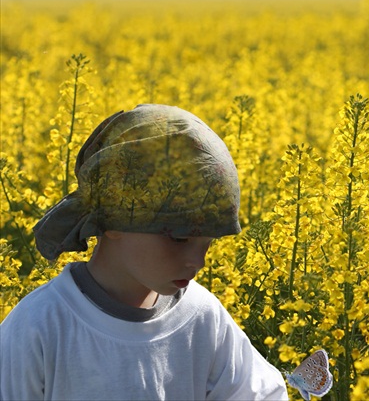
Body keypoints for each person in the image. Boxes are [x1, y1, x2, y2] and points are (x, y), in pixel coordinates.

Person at [0, 104, 289, 400]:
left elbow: (264, 394)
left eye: (208, 242)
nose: (198, 261)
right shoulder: (41, 325)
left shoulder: (202, 317)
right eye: (179, 238)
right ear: (111, 220)